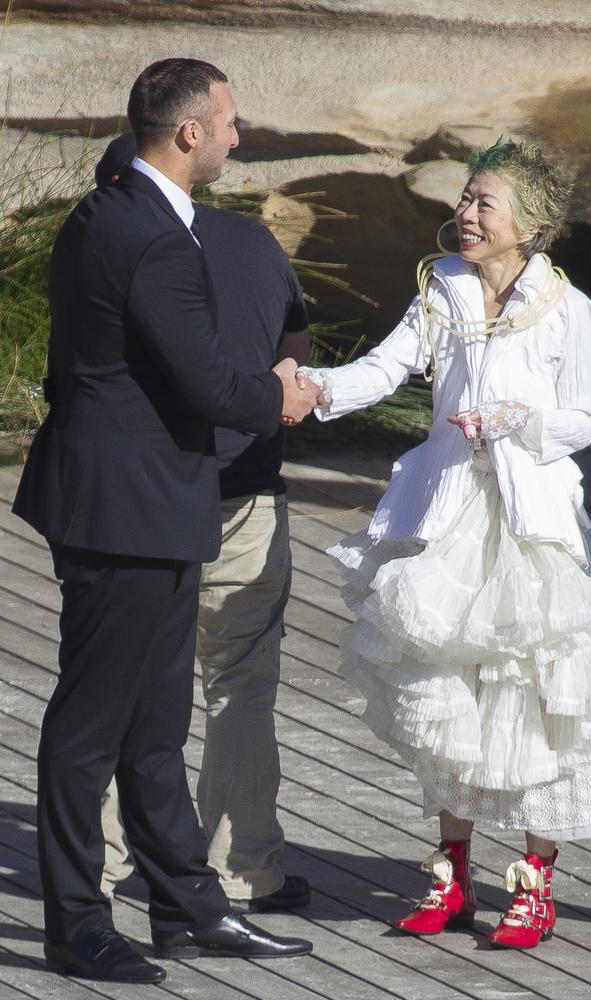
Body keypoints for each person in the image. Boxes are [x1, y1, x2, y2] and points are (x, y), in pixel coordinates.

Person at [12, 58, 320, 984]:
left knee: (153, 727)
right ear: (188, 133)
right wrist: (282, 394)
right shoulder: (151, 235)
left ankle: (190, 908)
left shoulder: (119, 208)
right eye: (229, 120)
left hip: (144, 502)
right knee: (90, 728)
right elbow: (210, 384)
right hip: (126, 511)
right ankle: (76, 923)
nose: (238, 133)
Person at [298, 139, 591, 949]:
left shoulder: (568, 308)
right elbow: (387, 368)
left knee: (536, 699)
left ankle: (534, 885)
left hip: (531, 530)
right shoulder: (442, 291)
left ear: (526, 224)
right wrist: (318, 388)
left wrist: (516, 423)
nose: (464, 214)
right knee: (449, 697)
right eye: (464, 200)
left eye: (483, 203)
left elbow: (583, 421)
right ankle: (450, 873)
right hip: (450, 521)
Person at [95, 132, 310, 913]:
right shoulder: (253, 241)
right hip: (247, 492)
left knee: (120, 681)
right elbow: (293, 348)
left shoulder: (115, 245)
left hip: (147, 499)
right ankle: (243, 865)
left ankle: (103, 860)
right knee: (241, 684)